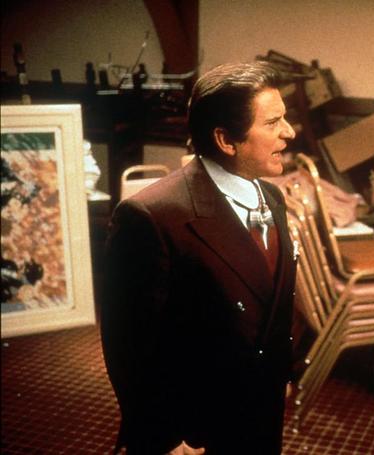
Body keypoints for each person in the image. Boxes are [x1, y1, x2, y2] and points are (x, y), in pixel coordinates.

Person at [100, 61, 297, 454]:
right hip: (192, 434)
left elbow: (273, 306)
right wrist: (163, 438)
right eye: (273, 122)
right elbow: (127, 346)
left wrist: (281, 375)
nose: (289, 132)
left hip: (259, 416)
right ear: (226, 140)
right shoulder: (150, 215)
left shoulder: (272, 197)